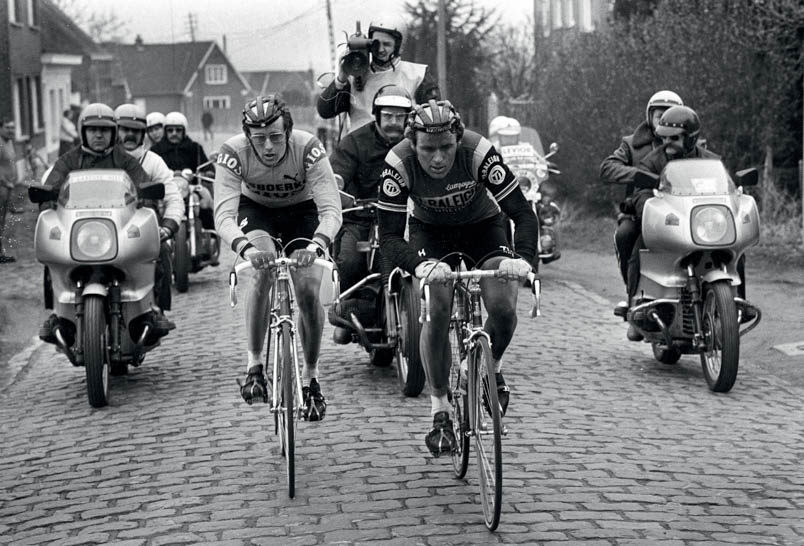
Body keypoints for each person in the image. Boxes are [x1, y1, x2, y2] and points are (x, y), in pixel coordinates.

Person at [377, 100, 538, 456]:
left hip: (483, 227)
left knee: (502, 305)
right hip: (431, 233)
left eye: (446, 148)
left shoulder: (479, 152)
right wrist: (418, 267)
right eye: (428, 149)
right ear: (412, 144)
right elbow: (388, 237)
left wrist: (524, 261)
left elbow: (523, 214)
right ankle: (440, 407)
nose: (438, 158)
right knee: (436, 305)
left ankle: (489, 367)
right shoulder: (398, 163)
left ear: (458, 140)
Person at [214, 95, 342, 420]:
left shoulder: (309, 147)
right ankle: (254, 365)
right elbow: (223, 217)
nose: (269, 146)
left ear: (288, 130)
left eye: (275, 136)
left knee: (309, 291)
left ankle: (311, 377)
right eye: (259, 139)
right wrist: (248, 249)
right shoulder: (233, 153)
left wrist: (314, 248)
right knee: (264, 270)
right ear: (247, 137)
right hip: (255, 212)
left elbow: (331, 211)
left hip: (302, 211)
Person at [40, 103, 174, 342]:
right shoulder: (69, 160)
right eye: (93, 130)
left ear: (113, 133)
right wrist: (46, 201)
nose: (98, 135)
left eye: (104, 129)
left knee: (158, 248)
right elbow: (50, 187)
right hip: (78, 229)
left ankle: (155, 310)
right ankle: (57, 315)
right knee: (52, 256)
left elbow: (143, 186)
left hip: (117, 227)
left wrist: (148, 201)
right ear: (83, 132)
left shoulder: (125, 160)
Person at [626, 105, 722, 340]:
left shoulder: (711, 161)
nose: (667, 143)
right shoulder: (651, 162)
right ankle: (635, 307)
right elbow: (641, 193)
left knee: (733, 253)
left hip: (702, 226)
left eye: (674, 138)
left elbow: (723, 189)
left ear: (691, 137)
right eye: (664, 138)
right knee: (639, 249)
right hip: (670, 224)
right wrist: (651, 212)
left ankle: (734, 303)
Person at [328, 84, 413, 343]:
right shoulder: (354, 142)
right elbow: (336, 175)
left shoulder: (415, 142)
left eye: (400, 117)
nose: (393, 122)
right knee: (351, 260)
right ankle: (349, 311)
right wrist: (337, 186)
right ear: (377, 115)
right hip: (362, 216)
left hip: (403, 216)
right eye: (388, 116)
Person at [599, 90, 683, 318]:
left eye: (670, 114)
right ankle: (633, 296)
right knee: (626, 235)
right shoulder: (631, 144)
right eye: (659, 114)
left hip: (682, 211)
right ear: (649, 116)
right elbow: (607, 167)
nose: (664, 119)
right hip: (641, 212)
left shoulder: (688, 142)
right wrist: (636, 175)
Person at [115, 103, 184, 322]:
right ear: (115, 130)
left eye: (135, 130)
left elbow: (172, 195)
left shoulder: (153, 162)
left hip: (140, 228)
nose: (130, 135)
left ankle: (158, 309)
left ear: (143, 133)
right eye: (124, 129)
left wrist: (168, 225)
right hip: (103, 227)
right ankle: (61, 313)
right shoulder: (100, 158)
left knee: (161, 251)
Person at [316, 21, 439, 133]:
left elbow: (434, 119)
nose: (380, 50)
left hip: (400, 148)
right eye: (376, 43)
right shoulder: (354, 74)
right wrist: (341, 79)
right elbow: (325, 111)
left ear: (398, 46)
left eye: (387, 44)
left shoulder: (418, 75)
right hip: (360, 150)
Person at [151, 111, 215, 229]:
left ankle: (211, 235)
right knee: (151, 209)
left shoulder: (195, 148)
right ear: (165, 132)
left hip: (191, 189)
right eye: (170, 130)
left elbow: (207, 166)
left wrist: (208, 172)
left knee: (205, 204)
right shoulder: (156, 150)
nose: (174, 133)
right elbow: (149, 169)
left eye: (178, 130)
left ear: (184, 131)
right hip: (165, 189)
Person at [0, 118, 17, 263]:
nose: (11, 130)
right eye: (7, 127)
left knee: (2, 221)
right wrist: (5, 182)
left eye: (12, 127)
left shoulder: (9, 142)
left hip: (8, 187)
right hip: (1, 187)